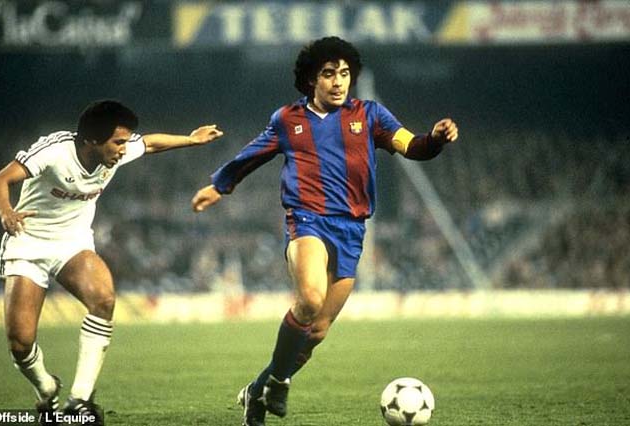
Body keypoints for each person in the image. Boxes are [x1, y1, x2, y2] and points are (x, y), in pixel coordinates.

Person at [191, 36, 458, 426]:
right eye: (329, 74)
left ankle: (256, 392)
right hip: (308, 221)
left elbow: (412, 146)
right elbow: (251, 155)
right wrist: (220, 185)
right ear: (311, 80)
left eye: (344, 73)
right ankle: (279, 381)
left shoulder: (370, 115)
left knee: (315, 332)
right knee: (310, 300)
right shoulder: (288, 120)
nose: (338, 81)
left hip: (352, 230)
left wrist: (434, 139)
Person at [0, 100, 223, 425]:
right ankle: (46, 388)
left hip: (73, 242)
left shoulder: (116, 151)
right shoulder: (54, 152)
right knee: (20, 343)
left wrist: (191, 140)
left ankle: (79, 400)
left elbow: (150, 143)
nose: (124, 149)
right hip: (29, 241)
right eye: (118, 142)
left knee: (103, 299)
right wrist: (6, 213)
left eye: (125, 142)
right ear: (92, 141)